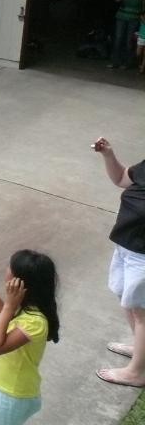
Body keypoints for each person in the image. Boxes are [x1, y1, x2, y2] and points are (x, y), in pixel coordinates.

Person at [0, 250, 60, 424]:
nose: (6, 270)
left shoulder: (37, 321)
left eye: (10, 267)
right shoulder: (25, 307)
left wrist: (9, 305)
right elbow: (4, 320)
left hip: (12, 393)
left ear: (20, 282)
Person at [92, 137, 145, 387]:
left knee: (142, 311)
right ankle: (141, 350)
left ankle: (138, 372)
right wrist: (108, 155)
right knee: (127, 300)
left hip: (143, 254)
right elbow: (122, 178)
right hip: (126, 246)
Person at [109, 0, 143, 69]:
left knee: (129, 41)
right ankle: (115, 62)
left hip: (134, 18)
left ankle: (127, 63)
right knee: (118, 39)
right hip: (121, 17)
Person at [137, 9, 145, 74]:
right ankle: (139, 64)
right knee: (138, 53)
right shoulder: (142, 16)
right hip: (141, 37)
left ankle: (142, 68)